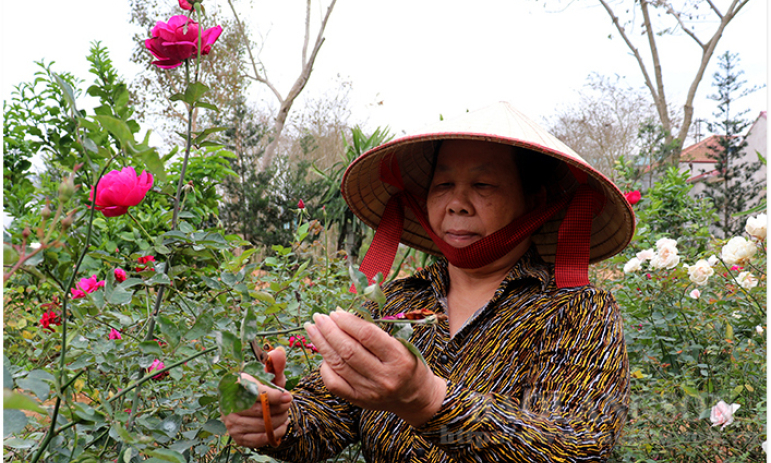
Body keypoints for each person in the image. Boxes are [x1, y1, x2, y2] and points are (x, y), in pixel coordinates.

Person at [223, 102, 635, 462]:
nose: (456, 203)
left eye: (483, 184)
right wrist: (274, 419)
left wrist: (428, 400)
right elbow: (325, 418)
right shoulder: (394, 301)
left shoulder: (578, 311)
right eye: (442, 186)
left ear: (536, 200)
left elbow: (580, 445)